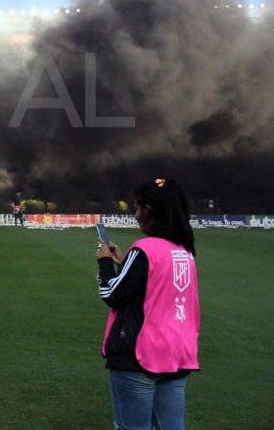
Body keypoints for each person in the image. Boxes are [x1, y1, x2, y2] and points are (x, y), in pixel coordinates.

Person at [97, 179, 199, 430]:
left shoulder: (144, 249)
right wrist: (124, 265)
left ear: (150, 211)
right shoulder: (184, 251)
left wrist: (105, 264)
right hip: (176, 352)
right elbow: (155, 289)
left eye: (139, 208)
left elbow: (113, 294)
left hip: (140, 354)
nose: (136, 214)